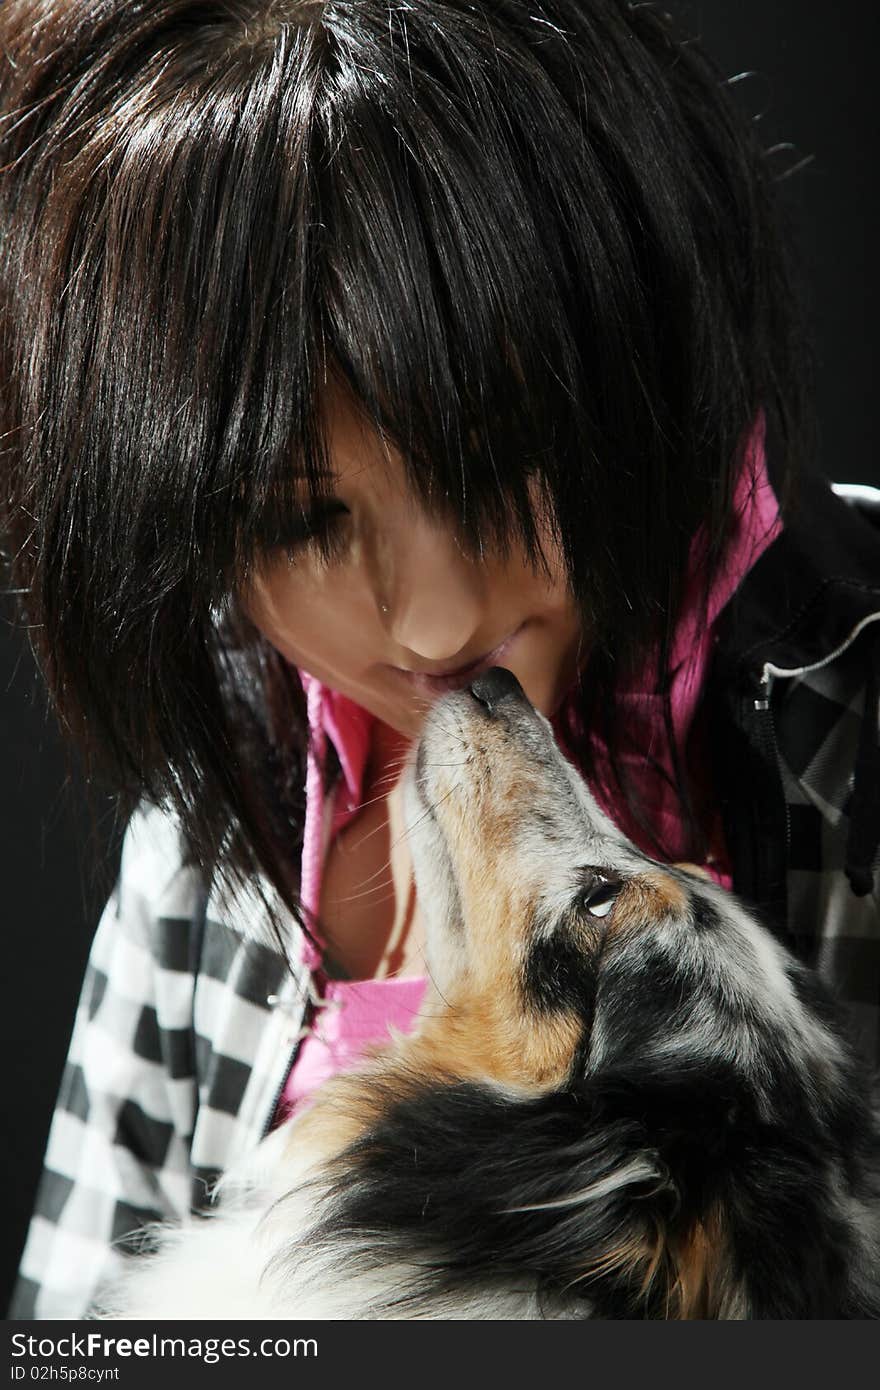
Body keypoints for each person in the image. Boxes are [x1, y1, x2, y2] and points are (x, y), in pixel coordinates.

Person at [2, 0, 877, 1321]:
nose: (430, 622)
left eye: (484, 450)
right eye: (301, 516)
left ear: (627, 329)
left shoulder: (856, 698)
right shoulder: (211, 816)